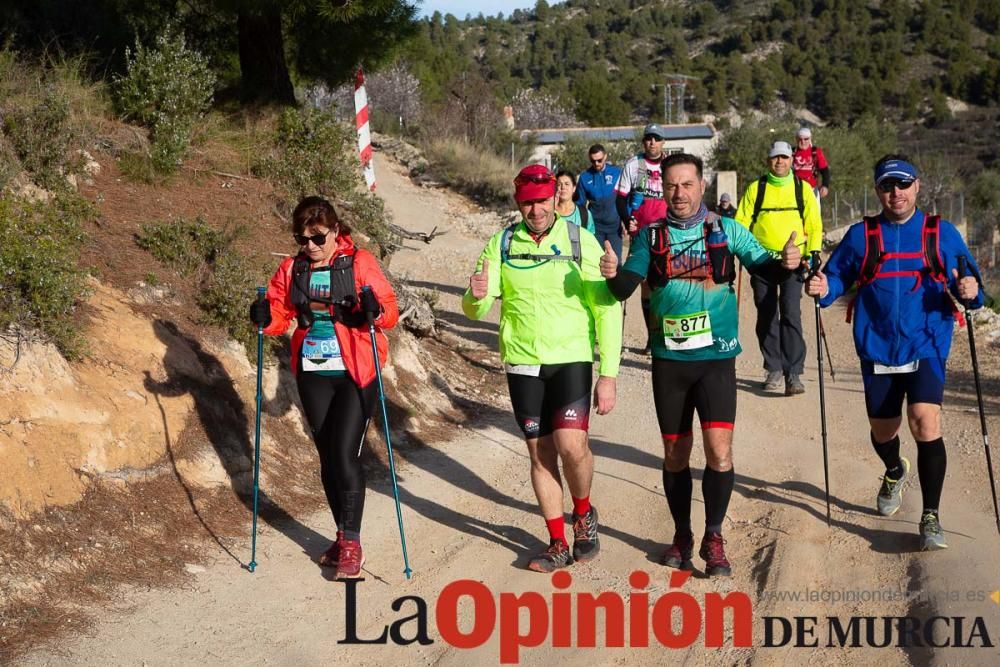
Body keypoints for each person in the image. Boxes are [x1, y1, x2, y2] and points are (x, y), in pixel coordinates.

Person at [601, 153, 801, 576]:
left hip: (716, 359)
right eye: (672, 185)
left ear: (702, 186)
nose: (679, 193)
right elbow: (623, 289)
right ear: (663, 189)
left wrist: (788, 263)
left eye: (687, 184)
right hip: (670, 361)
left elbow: (766, 270)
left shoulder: (726, 231)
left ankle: (713, 536)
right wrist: (611, 272)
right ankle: (681, 534)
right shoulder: (650, 237)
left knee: (719, 452)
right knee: (675, 454)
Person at [805, 155, 983, 551]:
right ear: (878, 191)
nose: (896, 193)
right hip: (878, 346)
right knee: (884, 431)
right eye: (887, 186)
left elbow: (973, 286)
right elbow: (836, 279)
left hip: (927, 343)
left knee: (924, 422)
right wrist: (822, 288)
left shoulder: (941, 233)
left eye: (903, 185)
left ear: (917, 186)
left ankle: (931, 516)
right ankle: (893, 468)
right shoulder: (861, 236)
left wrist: (971, 293)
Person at [463, 164, 623, 573]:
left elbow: (605, 308)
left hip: (570, 356)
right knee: (540, 453)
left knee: (572, 447)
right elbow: (477, 305)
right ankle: (556, 541)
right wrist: (475, 295)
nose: (536, 210)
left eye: (542, 200)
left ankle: (583, 514)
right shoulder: (501, 244)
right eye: (527, 203)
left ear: (556, 198)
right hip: (522, 361)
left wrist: (609, 373)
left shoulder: (580, 241)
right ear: (518, 203)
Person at [249, 196, 399, 580]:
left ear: (335, 231)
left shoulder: (359, 262)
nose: (310, 246)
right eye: (302, 239)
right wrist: (263, 319)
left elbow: (389, 312)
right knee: (328, 457)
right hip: (313, 373)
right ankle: (341, 534)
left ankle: (352, 543)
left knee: (345, 453)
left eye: (317, 237)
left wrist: (373, 310)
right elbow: (280, 316)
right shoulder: (292, 268)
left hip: (357, 372)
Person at [735, 140, 822, 395]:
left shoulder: (802, 189)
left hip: (794, 262)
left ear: (791, 159)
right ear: (768, 160)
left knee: (791, 313)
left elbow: (814, 224)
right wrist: (745, 254)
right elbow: (740, 223)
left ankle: (793, 373)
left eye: (784, 157)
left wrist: (813, 253)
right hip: (761, 261)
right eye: (775, 158)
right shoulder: (756, 188)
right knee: (766, 314)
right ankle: (773, 368)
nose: (780, 162)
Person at [615, 123, 670, 352]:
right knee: (645, 285)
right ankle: (651, 337)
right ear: (643, 142)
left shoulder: (671, 165)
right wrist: (628, 219)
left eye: (656, 138)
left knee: (667, 283)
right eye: (648, 138)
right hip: (642, 234)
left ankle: (668, 334)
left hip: (668, 231)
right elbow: (620, 198)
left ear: (663, 142)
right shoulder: (633, 164)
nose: (652, 142)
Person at [575, 144, 624, 260]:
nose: (596, 164)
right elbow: (579, 204)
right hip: (595, 227)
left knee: (616, 261)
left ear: (605, 156)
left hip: (614, 227)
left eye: (599, 160)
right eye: (593, 161)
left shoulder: (617, 173)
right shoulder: (584, 177)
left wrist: (627, 219)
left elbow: (625, 197)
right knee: (596, 261)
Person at [792, 127, 831, 204]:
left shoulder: (816, 152)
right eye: (800, 139)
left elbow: (824, 170)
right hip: (795, 190)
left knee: (814, 214)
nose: (803, 142)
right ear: (796, 139)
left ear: (810, 139)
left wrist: (825, 186)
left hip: (812, 189)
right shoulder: (791, 152)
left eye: (806, 139)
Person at [556, 170, 595, 235]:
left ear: (574, 188)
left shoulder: (584, 214)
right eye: (559, 184)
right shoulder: (550, 213)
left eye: (567, 184)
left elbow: (590, 240)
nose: (563, 187)